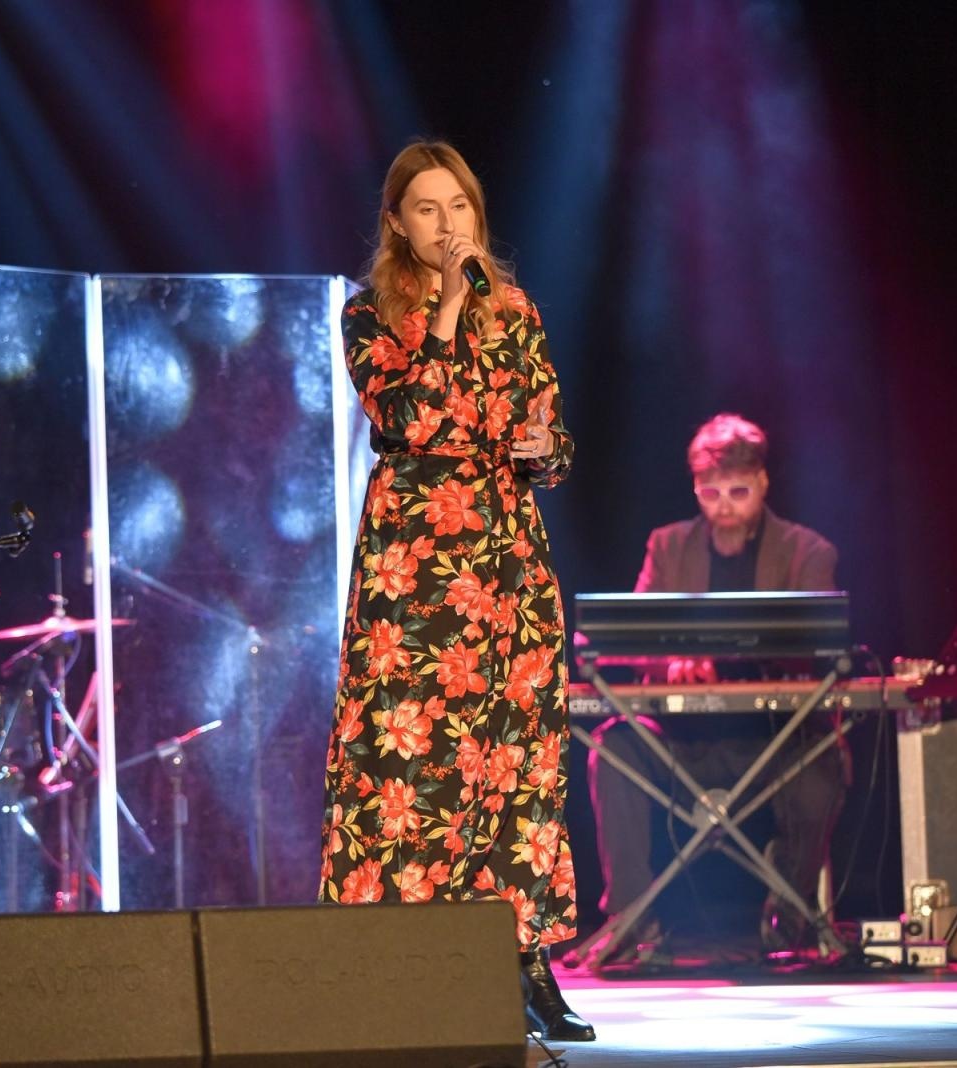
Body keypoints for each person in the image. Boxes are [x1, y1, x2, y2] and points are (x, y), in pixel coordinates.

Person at [318, 141, 591, 1042]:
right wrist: (442, 307)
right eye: (427, 210)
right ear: (398, 224)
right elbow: (402, 419)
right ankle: (405, 968)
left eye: (459, 207)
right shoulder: (369, 316)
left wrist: (543, 448)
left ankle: (524, 964)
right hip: (418, 576)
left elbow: (556, 442)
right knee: (413, 767)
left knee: (517, 768)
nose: (447, 225)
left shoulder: (517, 312)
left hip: (510, 566)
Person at [587, 413, 846, 961]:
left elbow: (817, 642)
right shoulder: (667, 547)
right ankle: (631, 917)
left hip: (771, 740)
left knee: (824, 757)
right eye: (711, 493)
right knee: (614, 747)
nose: (724, 506)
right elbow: (633, 641)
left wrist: (745, 657)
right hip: (684, 742)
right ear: (695, 489)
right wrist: (671, 664)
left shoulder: (808, 552)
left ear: (763, 483)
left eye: (738, 492)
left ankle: (791, 912)